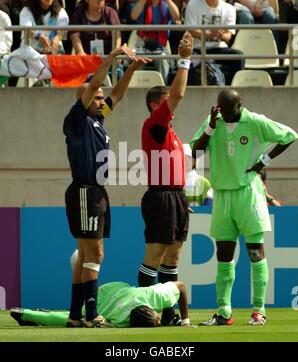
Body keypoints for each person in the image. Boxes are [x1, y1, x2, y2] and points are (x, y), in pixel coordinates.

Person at [190, 89, 298, 326]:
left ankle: (259, 311)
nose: (226, 116)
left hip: (248, 194)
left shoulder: (255, 121)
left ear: (240, 106)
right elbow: (195, 153)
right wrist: (209, 126)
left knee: (255, 252)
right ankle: (224, 313)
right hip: (222, 195)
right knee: (224, 254)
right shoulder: (214, 123)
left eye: (229, 111)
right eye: (222, 111)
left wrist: (264, 161)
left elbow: (290, 136)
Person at [63, 44, 150, 328]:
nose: (102, 101)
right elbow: (97, 83)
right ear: (85, 99)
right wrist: (112, 57)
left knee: (86, 255)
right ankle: (92, 315)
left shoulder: (97, 120)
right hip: (86, 190)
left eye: (101, 98)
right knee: (96, 254)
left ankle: (76, 316)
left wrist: (133, 69)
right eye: (97, 97)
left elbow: (118, 95)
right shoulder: (77, 120)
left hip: (94, 191)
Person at [138, 31, 193, 326]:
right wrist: (184, 60)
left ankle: (170, 314)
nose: (172, 103)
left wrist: (182, 200)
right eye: (166, 100)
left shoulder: (169, 131)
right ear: (154, 105)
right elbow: (179, 93)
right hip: (160, 197)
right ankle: (145, 310)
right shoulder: (153, 124)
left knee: (172, 258)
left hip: (176, 197)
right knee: (155, 256)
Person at [11, 250, 193, 328]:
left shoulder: (154, 297)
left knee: (76, 319)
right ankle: (28, 314)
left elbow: (181, 287)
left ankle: (30, 313)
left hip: (110, 293)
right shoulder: (123, 321)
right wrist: (184, 322)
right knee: (74, 321)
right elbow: (182, 286)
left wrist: (186, 320)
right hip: (107, 296)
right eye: (158, 321)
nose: (158, 320)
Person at [184, 0, 244, 85]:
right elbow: (191, 30)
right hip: (197, 48)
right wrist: (210, 34)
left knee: (238, 56)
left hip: (218, 48)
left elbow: (228, 37)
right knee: (186, 61)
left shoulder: (229, 8)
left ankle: (232, 89)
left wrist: (218, 34)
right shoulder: (193, 4)